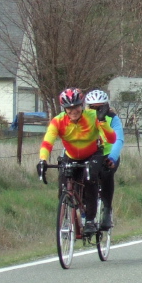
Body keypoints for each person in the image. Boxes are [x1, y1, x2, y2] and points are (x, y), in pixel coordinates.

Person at [37, 88, 116, 235]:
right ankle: (67, 217)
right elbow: (48, 142)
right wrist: (43, 160)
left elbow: (112, 139)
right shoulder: (58, 121)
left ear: (82, 105)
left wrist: (103, 121)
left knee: (90, 178)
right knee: (63, 185)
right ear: (64, 109)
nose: (73, 110)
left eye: (76, 106)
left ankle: (90, 221)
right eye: (69, 108)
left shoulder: (93, 116)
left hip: (93, 154)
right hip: (71, 155)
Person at [85, 89, 124, 230]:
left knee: (107, 174)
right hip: (90, 154)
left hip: (108, 153)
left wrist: (112, 158)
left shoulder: (112, 118)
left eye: (100, 107)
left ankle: (107, 210)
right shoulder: (82, 117)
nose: (96, 110)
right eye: (92, 107)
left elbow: (118, 139)